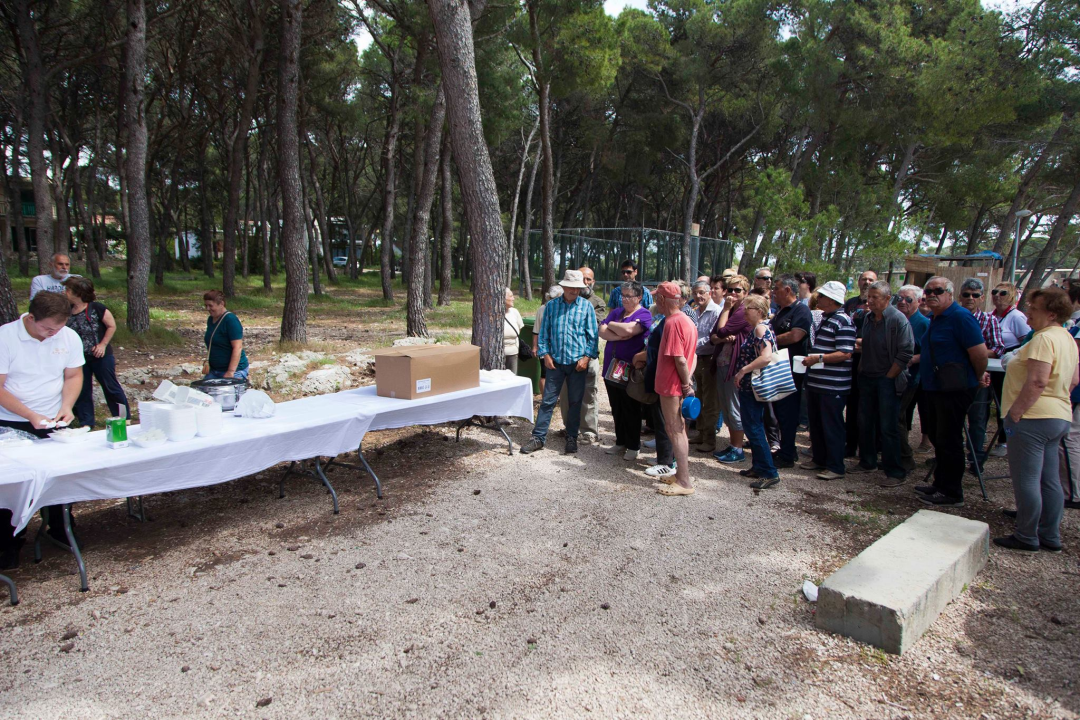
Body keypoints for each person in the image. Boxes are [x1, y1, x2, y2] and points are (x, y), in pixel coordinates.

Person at [0, 291, 85, 569]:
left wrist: (67, 406)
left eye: (59, 328)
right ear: (31, 317)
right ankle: (9, 542)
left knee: (60, 477)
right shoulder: (5, 337)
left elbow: (73, 375)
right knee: (13, 486)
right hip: (11, 421)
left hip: (53, 419)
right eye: (48, 328)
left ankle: (60, 528)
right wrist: (29, 415)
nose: (53, 334)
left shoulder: (67, 337)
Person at [995, 287, 1078, 551]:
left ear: (1051, 313)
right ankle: (1049, 534)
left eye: (1034, 308)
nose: (1028, 311)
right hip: (1057, 415)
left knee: (1027, 478)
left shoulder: (1044, 339)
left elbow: (1038, 380)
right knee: (1048, 478)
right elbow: (1074, 379)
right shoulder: (1066, 336)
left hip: (1033, 416)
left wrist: (1016, 412)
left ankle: (1027, 534)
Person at [915, 277, 988, 507]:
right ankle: (940, 483)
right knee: (938, 436)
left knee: (950, 438)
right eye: (928, 290)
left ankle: (952, 491)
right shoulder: (934, 318)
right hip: (935, 387)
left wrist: (976, 377)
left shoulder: (960, 317)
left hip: (955, 388)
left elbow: (979, 353)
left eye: (938, 290)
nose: (932, 294)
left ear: (950, 294)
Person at [520, 270, 599, 455]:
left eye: (578, 288)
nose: (574, 291)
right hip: (555, 363)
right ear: (563, 287)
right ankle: (538, 438)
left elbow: (593, 337)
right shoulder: (552, 306)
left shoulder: (586, 307)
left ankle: (572, 437)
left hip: (577, 364)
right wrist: (545, 355)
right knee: (547, 401)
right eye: (571, 287)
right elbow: (543, 333)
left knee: (575, 402)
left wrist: (586, 358)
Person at [848, 280, 914, 484]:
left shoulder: (897, 319)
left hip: (887, 379)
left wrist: (889, 376)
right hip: (867, 377)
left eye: (875, 297)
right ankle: (867, 462)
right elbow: (867, 344)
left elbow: (906, 352)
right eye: (869, 297)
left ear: (887, 298)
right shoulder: (868, 318)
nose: (870, 301)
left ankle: (895, 472)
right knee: (865, 422)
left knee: (888, 426)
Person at [801, 281, 857, 480]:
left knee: (832, 425)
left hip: (833, 384)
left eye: (823, 296)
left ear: (833, 300)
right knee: (816, 423)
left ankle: (835, 466)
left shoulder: (844, 321)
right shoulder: (824, 317)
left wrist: (819, 358)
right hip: (817, 381)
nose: (819, 299)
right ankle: (819, 459)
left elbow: (845, 353)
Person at [63, 277, 128, 428]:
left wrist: (102, 344)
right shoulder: (66, 310)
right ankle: (86, 422)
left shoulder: (97, 308)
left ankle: (123, 418)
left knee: (111, 387)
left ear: (77, 293)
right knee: (82, 389)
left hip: (101, 356)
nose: (64, 292)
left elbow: (111, 325)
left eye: (68, 289)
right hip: (78, 358)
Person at [653, 282, 698, 496]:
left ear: (662, 299)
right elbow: (693, 356)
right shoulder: (687, 320)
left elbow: (680, 359)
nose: (654, 302)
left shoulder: (672, 323)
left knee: (675, 430)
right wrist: (688, 381)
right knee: (678, 429)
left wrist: (685, 385)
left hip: (672, 387)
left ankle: (684, 481)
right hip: (677, 385)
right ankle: (680, 474)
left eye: (656, 298)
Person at [599, 281, 652, 460]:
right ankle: (620, 441)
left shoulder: (644, 314)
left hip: (628, 368)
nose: (624, 299)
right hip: (610, 367)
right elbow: (602, 331)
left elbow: (631, 329)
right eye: (623, 295)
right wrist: (619, 332)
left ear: (639, 297)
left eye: (628, 296)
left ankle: (633, 445)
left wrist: (613, 326)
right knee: (616, 407)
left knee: (630, 407)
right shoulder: (617, 312)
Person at [732, 294, 781, 488]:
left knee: (754, 428)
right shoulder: (758, 329)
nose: (744, 311)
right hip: (749, 387)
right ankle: (759, 466)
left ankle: (769, 472)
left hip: (752, 386)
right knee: (753, 426)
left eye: (748, 308)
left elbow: (766, 357)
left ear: (759, 311)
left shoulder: (761, 328)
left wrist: (743, 370)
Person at [958, 278, 1003, 472]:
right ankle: (952, 457)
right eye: (967, 294)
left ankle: (975, 459)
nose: (970, 298)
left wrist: (976, 351)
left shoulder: (989, 319)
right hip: (954, 375)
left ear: (982, 298)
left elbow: (998, 348)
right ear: (960, 296)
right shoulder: (951, 317)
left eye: (975, 295)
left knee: (977, 419)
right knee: (951, 419)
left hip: (978, 376)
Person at [770, 274, 812, 468]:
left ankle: (788, 453)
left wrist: (770, 341)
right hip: (779, 368)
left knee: (788, 412)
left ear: (788, 290)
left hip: (792, 372)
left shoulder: (801, 310)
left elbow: (796, 335)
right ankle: (786, 449)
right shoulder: (781, 311)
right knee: (779, 412)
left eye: (776, 288)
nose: (773, 292)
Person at [558, 266, 604, 444]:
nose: (585, 283)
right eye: (582, 279)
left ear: (593, 282)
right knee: (566, 393)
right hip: (565, 355)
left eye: (588, 280)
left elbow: (594, 327)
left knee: (588, 393)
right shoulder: (562, 300)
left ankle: (589, 431)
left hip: (587, 355)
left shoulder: (597, 302)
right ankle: (569, 427)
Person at [711, 275, 752, 464]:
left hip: (735, 366)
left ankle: (738, 448)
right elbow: (714, 335)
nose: (733, 293)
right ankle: (733, 444)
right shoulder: (730, 310)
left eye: (738, 290)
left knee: (734, 408)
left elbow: (721, 331)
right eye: (731, 289)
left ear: (746, 293)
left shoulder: (743, 311)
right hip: (722, 362)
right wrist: (721, 336)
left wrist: (726, 310)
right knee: (726, 407)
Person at [635, 303, 676, 478]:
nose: (658, 303)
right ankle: (664, 457)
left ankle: (666, 463)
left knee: (666, 421)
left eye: (662, 299)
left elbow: (671, 353)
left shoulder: (675, 322)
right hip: (658, 374)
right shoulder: (665, 319)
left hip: (667, 378)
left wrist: (640, 356)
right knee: (660, 419)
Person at [989, 283, 1030, 456]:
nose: (998, 295)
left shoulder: (1016, 317)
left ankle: (1005, 441)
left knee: (1003, 402)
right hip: (992, 364)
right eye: (994, 292)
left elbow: (1027, 341)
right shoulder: (991, 316)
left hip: (1007, 366)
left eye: (1003, 293)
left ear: (1012, 296)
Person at [843, 269, 878, 457]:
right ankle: (850, 444)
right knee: (851, 404)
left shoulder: (882, 309)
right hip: (850, 361)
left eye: (870, 279)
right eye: (863, 279)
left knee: (868, 408)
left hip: (871, 363)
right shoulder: (850, 303)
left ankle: (870, 450)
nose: (866, 282)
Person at [896, 285, 931, 467]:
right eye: (899, 298)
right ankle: (896, 455)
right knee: (896, 417)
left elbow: (931, 353)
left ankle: (905, 458)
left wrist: (910, 359)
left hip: (911, 377)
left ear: (918, 301)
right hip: (893, 375)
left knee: (897, 416)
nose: (902, 302)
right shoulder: (896, 319)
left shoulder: (923, 323)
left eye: (908, 299)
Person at [687, 280, 722, 452]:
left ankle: (710, 439)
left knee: (710, 402)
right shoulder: (695, 312)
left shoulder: (716, 312)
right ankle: (701, 433)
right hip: (697, 359)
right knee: (699, 398)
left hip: (709, 359)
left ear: (710, 293)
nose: (698, 296)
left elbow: (712, 337)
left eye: (701, 292)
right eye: (695, 293)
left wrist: (691, 344)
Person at [202, 290, 249, 380]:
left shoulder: (231, 320)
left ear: (221, 304)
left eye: (211, 305)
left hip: (234, 371)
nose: (207, 309)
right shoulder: (210, 319)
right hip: (215, 370)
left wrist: (230, 372)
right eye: (206, 305)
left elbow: (237, 347)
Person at [532, 285, 563, 397]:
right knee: (545, 374)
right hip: (545, 347)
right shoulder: (542, 309)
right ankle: (545, 399)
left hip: (560, 347)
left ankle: (558, 398)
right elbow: (536, 330)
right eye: (552, 298)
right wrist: (535, 346)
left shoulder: (564, 308)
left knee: (560, 374)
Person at [503, 287, 524, 374]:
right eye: (511, 296)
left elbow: (519, 330)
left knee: (512, 380)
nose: (513, 298)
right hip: (498, 356)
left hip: (513, 354)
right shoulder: (493, 314)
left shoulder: (515, 312)